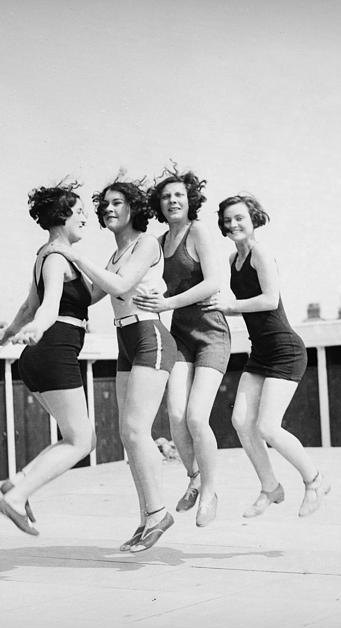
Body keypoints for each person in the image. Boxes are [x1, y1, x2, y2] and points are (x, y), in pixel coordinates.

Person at [47, 179, 177, 552]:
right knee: (128, 434)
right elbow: (90, 294)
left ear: (134, 208)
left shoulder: (146, 243)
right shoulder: (113, 256)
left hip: (150, 337)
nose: (108, 209)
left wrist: (74, 257)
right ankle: (146, 517)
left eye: (117, 202)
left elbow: (121, 287)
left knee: (137, 429)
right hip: (125, 340)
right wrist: (51, 268)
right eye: (104, 204)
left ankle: (158, 515)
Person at [203, 194, 330, 518]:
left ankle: (315, 480)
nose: (233, 224)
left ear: (253, 218)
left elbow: (270, 299)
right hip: (260, 352)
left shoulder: (261, 253)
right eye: (228, 220)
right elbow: (244, 306)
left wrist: (230, 306)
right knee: (241, 421)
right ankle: (270, 487)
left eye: (239, 218)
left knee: (269, 427)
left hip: (285, 351)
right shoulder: (233, 261)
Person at [0, 180, 95, 537]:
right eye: (79, 211)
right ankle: (17, 497)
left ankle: (18, 483)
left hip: (42, 354)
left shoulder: (45, 255)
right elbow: (47, 307)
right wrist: (36, 329)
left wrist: (7, 333)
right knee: (82, 441)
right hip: (53, 349)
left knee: (72, 436)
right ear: (62, 216)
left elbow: (27, 306)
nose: (85, 217)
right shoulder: (55, 258)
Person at [133, 169, 230, 527]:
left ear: (190, 201)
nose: (173, 201)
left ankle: (210, 492)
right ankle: (194, 476)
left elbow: (213, 282)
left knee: (195, 416)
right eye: (166, 197)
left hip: (212, 335)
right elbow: (151, 284)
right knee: (175, 416)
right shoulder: (158, 242)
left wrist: (168, 303)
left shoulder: (198, 231)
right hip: (182, 337)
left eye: (179, 195)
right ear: (159, 205)